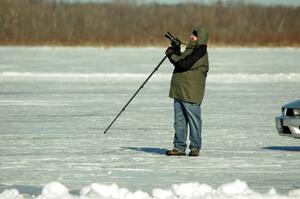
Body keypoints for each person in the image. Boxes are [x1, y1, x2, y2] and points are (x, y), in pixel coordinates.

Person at [165, 27, 209, 156]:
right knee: (179, 121)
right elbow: (181, 59)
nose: (191, 37)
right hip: (179, 90)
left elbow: (183, 64)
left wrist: (171, 54)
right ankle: (179, 148)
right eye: (192, 34)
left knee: (194, 121)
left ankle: (195, 148)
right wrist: (176, 50)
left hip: (191, 93)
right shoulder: (191, 50)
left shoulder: (200, 52)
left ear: (200, 38)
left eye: (194, 35)